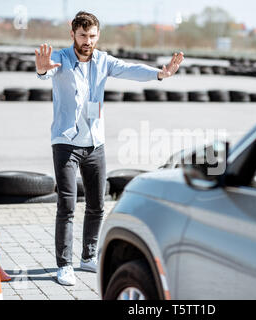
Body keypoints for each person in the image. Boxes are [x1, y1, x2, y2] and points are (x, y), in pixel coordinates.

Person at [35, 11, 184, 286]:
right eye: (82, 36)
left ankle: (88, 257)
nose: (87, 41)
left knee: (97, 205)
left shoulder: (103, 61)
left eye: (92, 36)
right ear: (73, 34)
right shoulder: (61, 58)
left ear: (98, 35)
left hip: (95, 143)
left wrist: (160, 74)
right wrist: (42, 68)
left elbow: (130, 69)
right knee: (67, 205)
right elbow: (46, 71)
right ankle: (64, 265)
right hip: (65, 143)